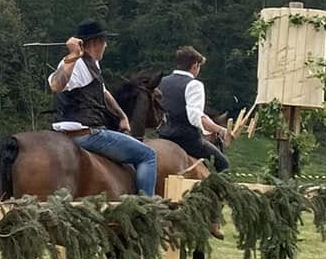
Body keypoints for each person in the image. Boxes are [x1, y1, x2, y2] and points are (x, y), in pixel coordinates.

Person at [47, 20, 158, 196]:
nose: (106, 46)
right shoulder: (74, 63)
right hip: (86, 135)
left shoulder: (91, 63)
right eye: (105, 42)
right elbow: (55, 85)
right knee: (148, 155)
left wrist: (122, 116)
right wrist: (72, 55)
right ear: (96, 42)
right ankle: (147, 204)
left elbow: (104, 92)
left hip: (64, 134)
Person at [157, 46, 230, 172]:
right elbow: (195, 117)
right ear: (195, 65)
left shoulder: (161, 82)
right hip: (186, 140)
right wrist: (221, 130)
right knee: (223, 163)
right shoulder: (194, 84)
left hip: (162, 136)